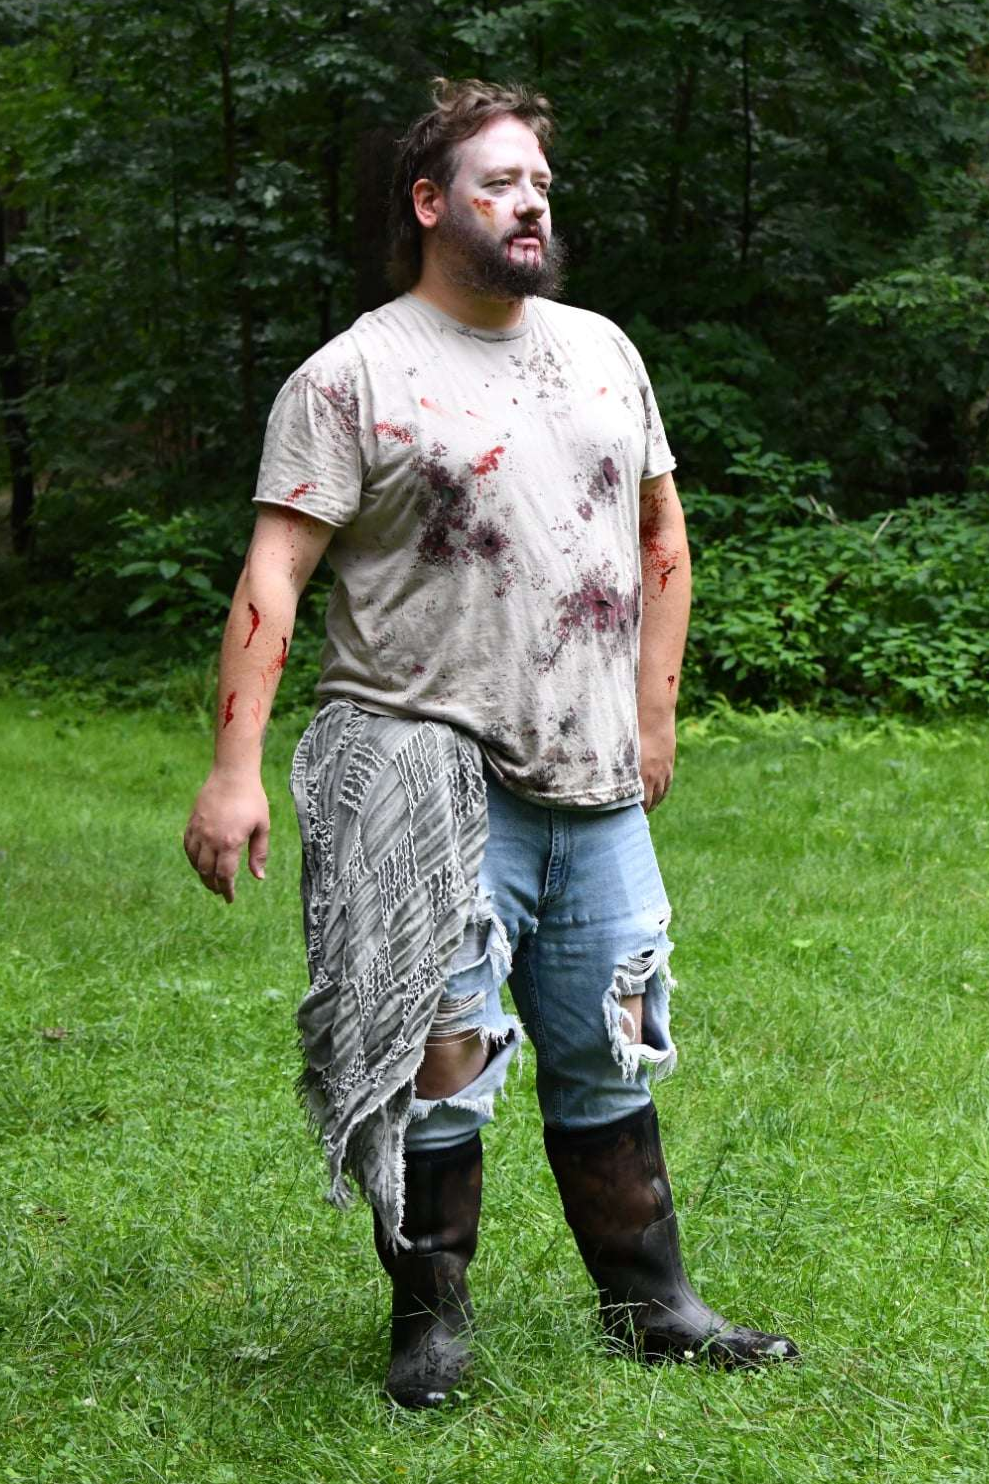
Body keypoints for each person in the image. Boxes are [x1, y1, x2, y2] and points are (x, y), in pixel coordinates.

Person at [183, 77, 798, 1409]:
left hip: (592, 775)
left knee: (611, 1039)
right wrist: (235, 771)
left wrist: (653, 711)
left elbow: (662, 535)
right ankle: (431, 1323)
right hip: (425, 771)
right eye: (500, 184)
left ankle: (653, 1304)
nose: (530, 206)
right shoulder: (352, 375)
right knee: (441, 1060)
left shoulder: (600, 351)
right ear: (429, 203)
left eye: (541, 187)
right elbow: (275, 571)